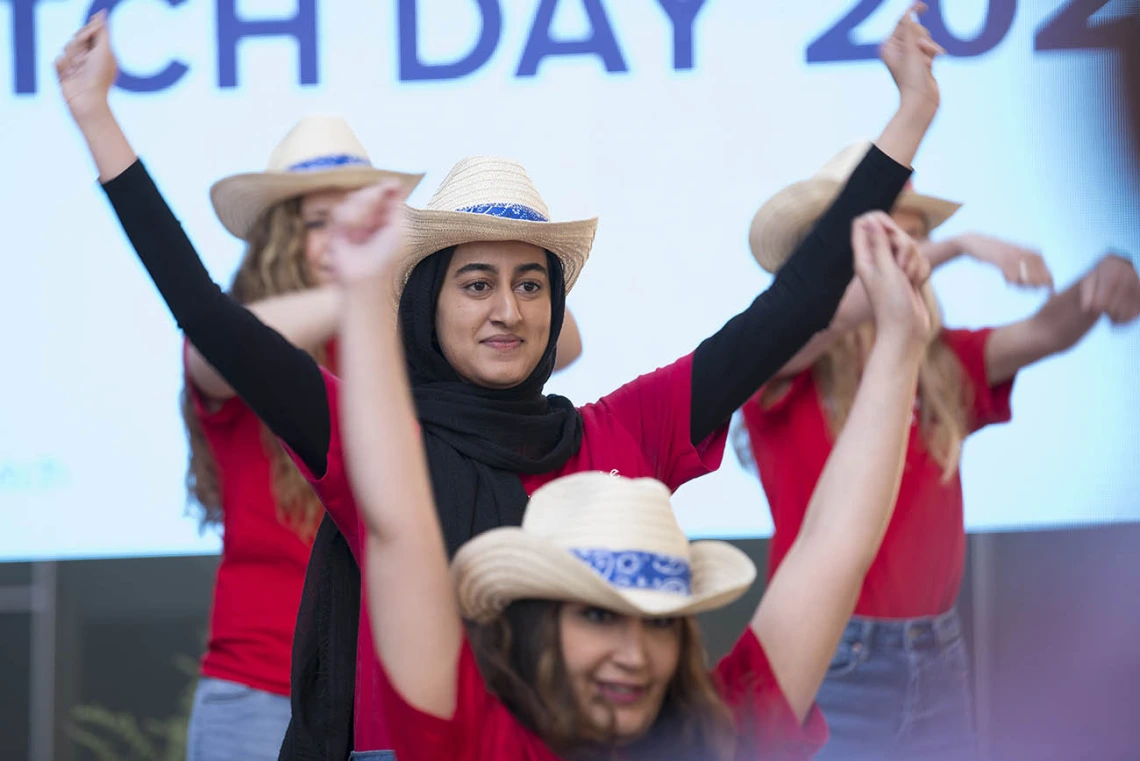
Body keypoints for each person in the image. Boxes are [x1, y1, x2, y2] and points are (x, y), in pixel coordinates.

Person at [57, 5, 944, 758]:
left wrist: (905, 124)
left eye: (532, 285)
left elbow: (781, 321)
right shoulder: (380, 444)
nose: (509, 310)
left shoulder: (618, 436)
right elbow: (213, 320)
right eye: (476, 282)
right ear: (426, 304)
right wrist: (100, 122)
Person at [329, 178, 934, 761]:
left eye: (661, 621)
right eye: (598, 614)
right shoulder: (485, 742)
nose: (633, 654)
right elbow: (399, 528)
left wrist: (902, 344)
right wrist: (361, 297)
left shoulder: (721, 733)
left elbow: (836, 547)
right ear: (535, 624)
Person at [735, 144, 1140, 760]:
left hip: (938, 653)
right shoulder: (782, 362)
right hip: (828, 657)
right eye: (892, 235)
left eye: (918, 237)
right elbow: (826, 319)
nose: (913, 254)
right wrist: (963, 245)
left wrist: (1103, 277)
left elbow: (1046, 331)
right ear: (829, 253)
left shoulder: (942, 361)